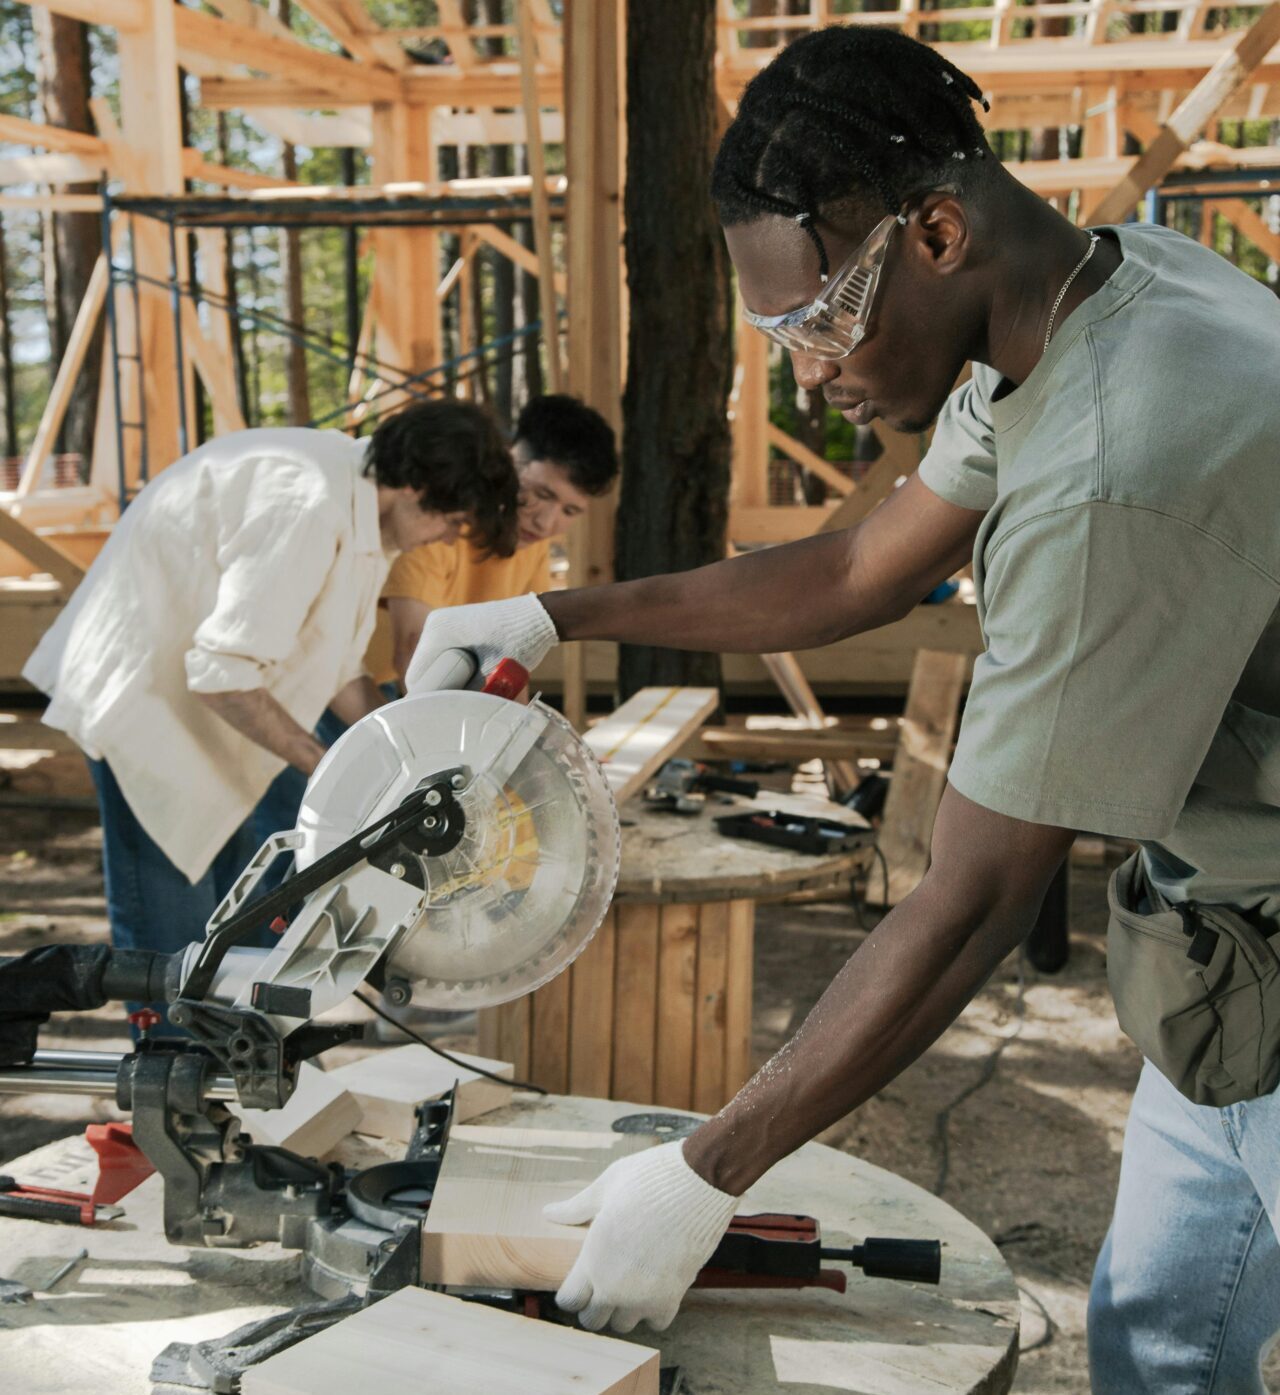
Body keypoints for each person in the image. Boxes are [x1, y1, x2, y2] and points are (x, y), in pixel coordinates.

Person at [404, 26, 1280, 1392]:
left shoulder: (1121, 466)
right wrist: (553, 614)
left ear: (935, 233)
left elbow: (976, 899)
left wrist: (707, 1168)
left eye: (816, 324)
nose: (807, 374)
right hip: (1239, 951)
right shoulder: (1091, 296)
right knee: (1161, 1344)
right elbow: (855, 566)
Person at [25, 401, 518, 982]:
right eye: (452, 521)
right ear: (415, 486)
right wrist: (331, 766)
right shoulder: (306, 501)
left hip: (203, 711)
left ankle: (208, 1057)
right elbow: (221, 673)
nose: (447, 538)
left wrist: (403, 765)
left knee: (224, 933)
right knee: (169, 943)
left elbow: (338, 668)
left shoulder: (363, 507)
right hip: (142, 701)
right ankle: (164, 1059)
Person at [369, 394, 619, 689]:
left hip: (432, 686)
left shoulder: (531, 539)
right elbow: (411, 653)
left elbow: (514, 658)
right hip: (362, 687)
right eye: (541, 494)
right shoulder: (441, 519)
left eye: (570, 511)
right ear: (510, 458)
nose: (546, 523)